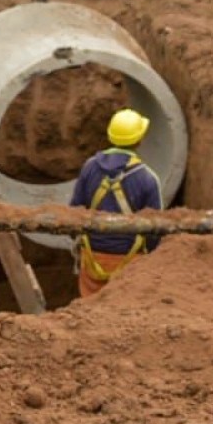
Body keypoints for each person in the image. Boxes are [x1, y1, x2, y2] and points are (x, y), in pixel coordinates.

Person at [69, 108, 164, 299]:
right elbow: (155, 231)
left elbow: (74, 212)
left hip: (93, 257)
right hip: (131, 260)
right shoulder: (147, 178)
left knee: (90, 308)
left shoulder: (90, 167)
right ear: (139, 140)